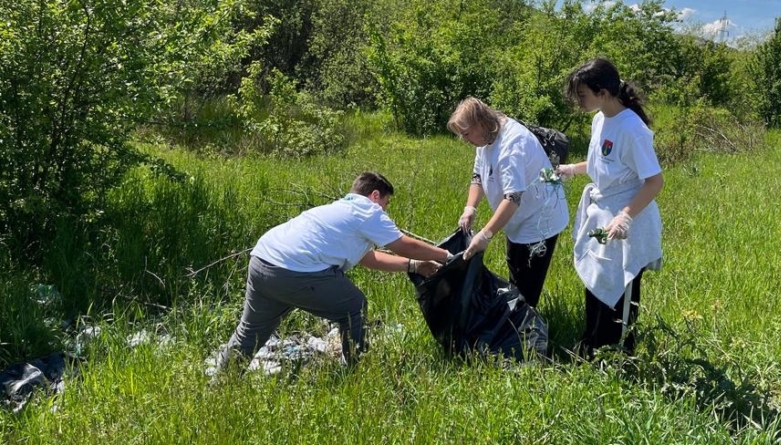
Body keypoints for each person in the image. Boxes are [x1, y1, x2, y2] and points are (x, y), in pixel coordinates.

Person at [218, 172, 452, 370]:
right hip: (293, 270)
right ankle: (354, 369)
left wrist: (414, 265)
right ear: (375, 195)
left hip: (262, 262)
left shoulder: (340, 212)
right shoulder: (368, 211)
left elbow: (369, 259)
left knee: (250, 333)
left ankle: (220, 383)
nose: (385, 210)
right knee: (353, 306)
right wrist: (447, 255)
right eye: (386, 203)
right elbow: (403, 245)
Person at [556, 58, 663, 358]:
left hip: (627, 221)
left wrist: (625, 217)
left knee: (621, 288)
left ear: (603, 92)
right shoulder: (600, 119)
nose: (579, 101)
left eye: (582, 95)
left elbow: (654, 182)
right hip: (601, 215)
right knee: (596, 277)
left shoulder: (633, 129)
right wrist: (572, 170)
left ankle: (618, 355)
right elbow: (601, 163)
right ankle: (591, 344)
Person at [447, 97, 570, 308]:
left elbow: (513, 198)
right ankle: (518, 323)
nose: (464, 140)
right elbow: (478, 174)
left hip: (540, 220)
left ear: (481, 123)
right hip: (520, 218)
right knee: (516, 270)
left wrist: (485, 235)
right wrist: (470, 207)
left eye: (466, 134)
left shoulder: (512, 145)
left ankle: (528, 333)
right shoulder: (486, 137)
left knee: (526, 286)